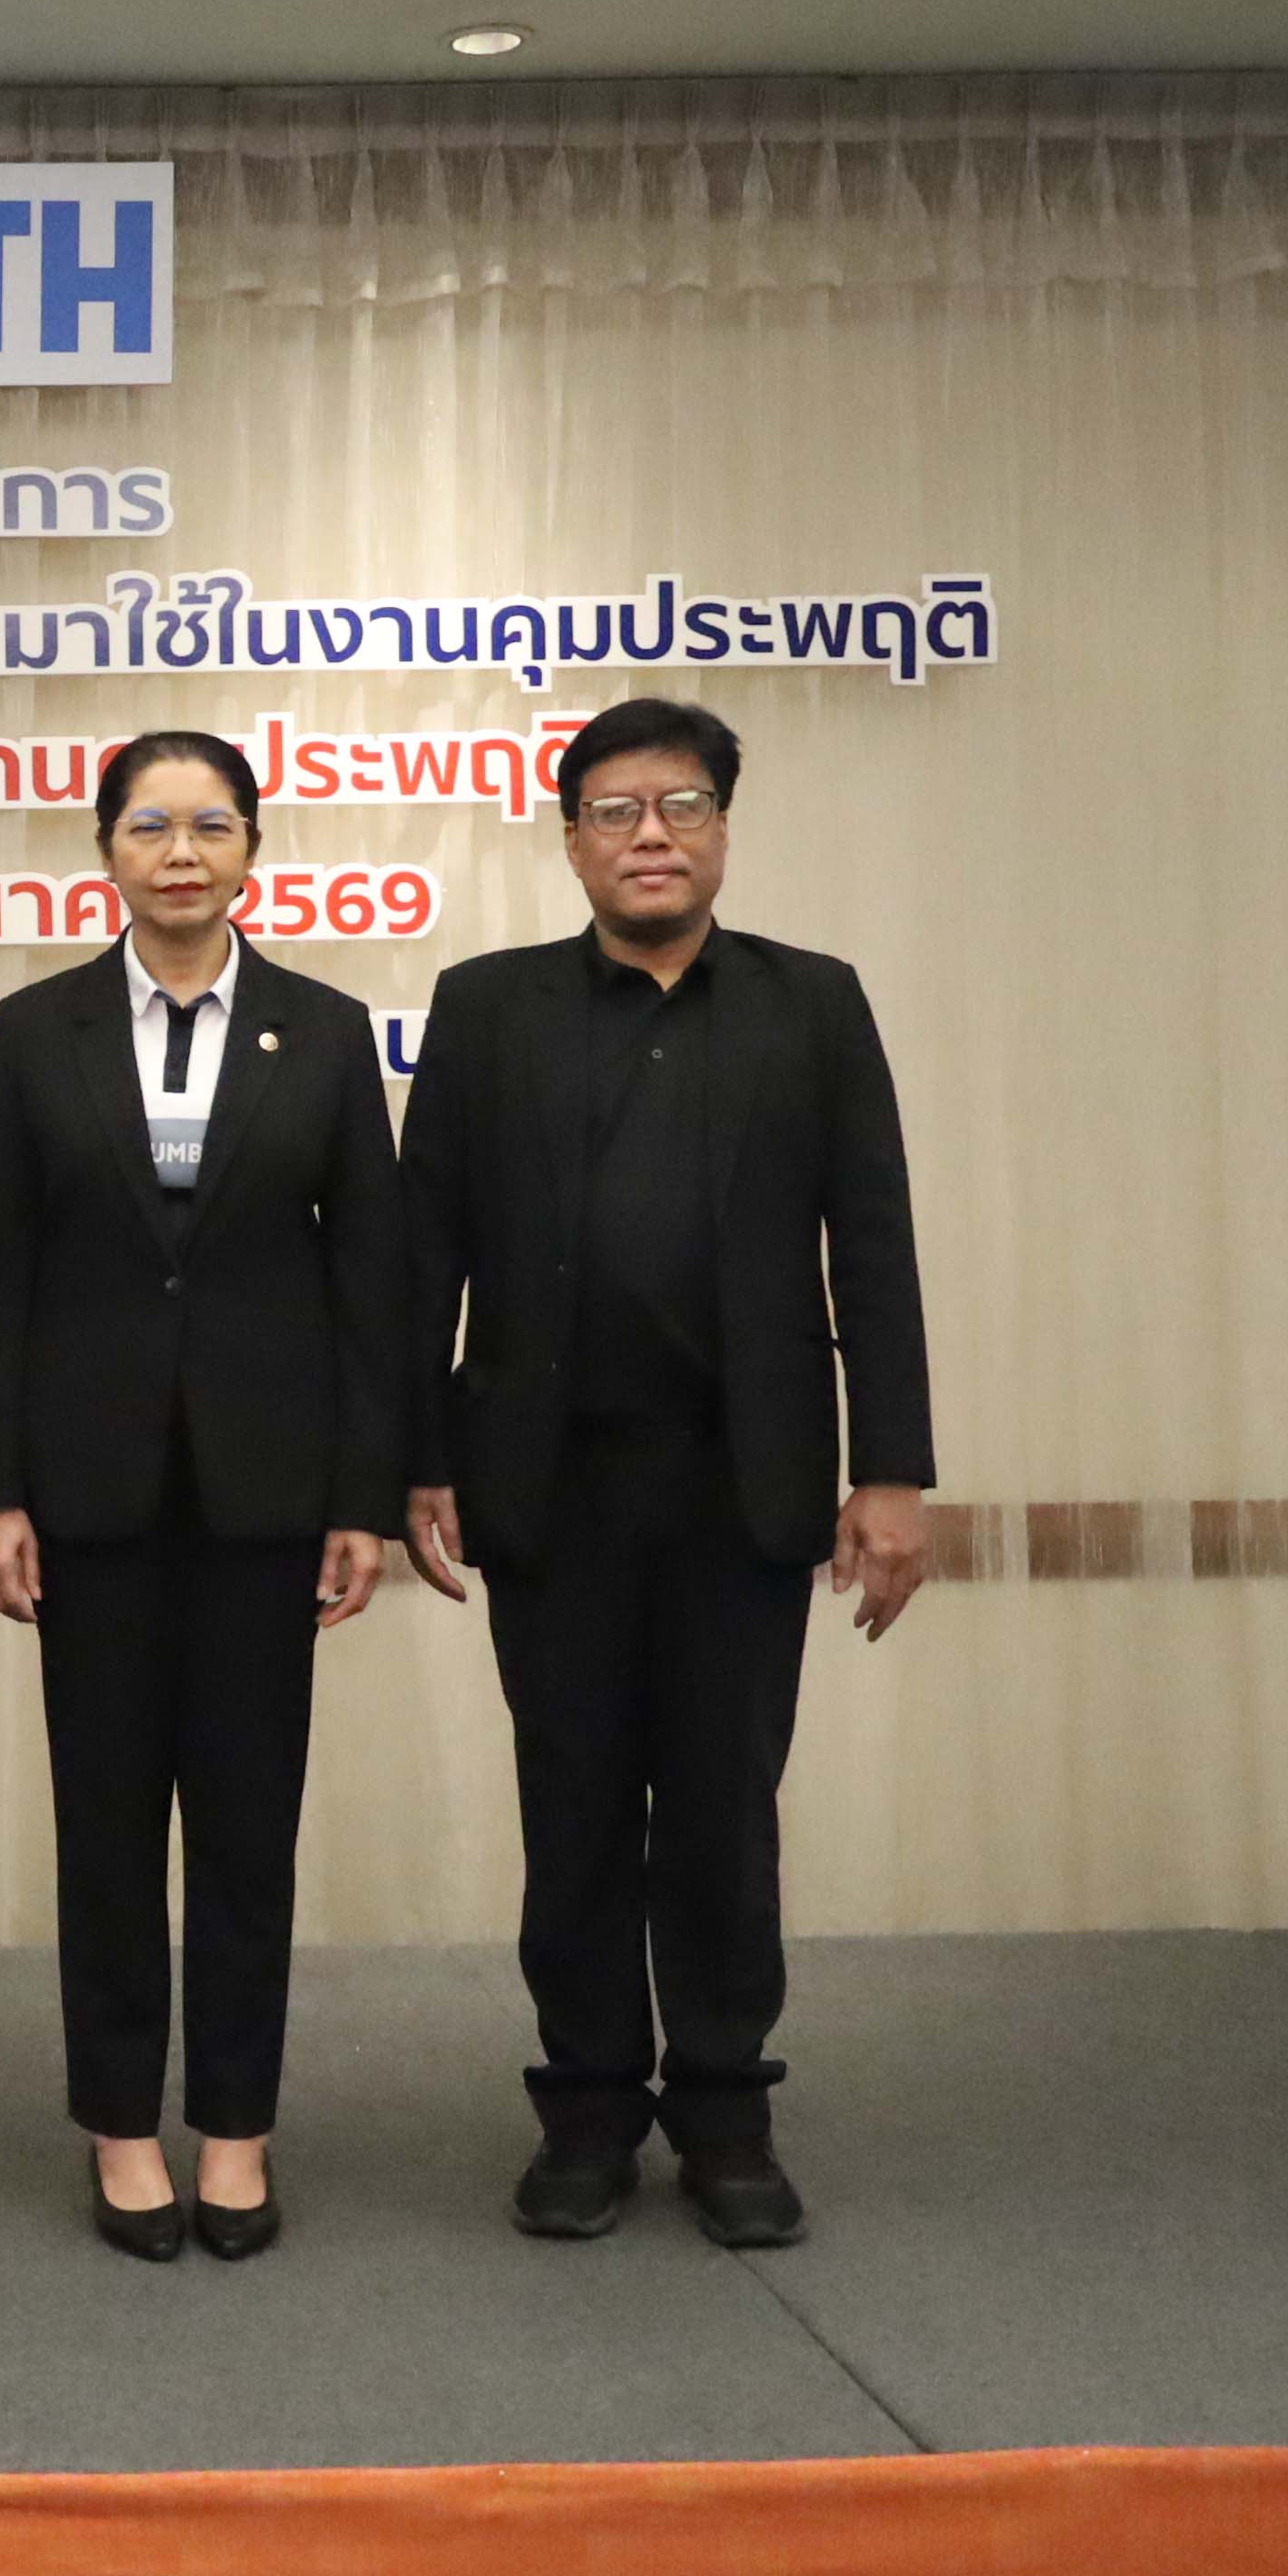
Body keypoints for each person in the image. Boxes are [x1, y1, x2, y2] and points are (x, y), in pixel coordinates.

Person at [399, 694, 934, 2251]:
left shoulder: (811, 1004)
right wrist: (412, 1460)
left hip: (740, 1485)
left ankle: (723, 2112)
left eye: (682, 806)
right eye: (617, 810)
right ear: (570, 842)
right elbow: (422, 1252)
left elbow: (875, 1248)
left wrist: (893, 1470)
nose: (652, 835)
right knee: (572, 1808)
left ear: (722, 832)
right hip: (548, 1485)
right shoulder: (487, 1009)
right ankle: (582, 2112)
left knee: (721, 1811)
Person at [0, 734, 405, 2262]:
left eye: (212, 825)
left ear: (253, 848)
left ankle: (237, 2126)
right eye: (150, 825)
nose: (181, 852)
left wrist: (361, 1494)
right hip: (88, 1494)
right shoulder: (40, 1029)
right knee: (105, 1826)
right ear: (107, 851)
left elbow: (370, 1280)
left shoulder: (325, 1030)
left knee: (247, 1827)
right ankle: (121, 2127)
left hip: (268, 1493)